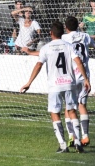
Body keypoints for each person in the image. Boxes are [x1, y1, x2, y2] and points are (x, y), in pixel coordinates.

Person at [20, 21, 91, 153]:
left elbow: (39, 65)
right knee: (72, 111)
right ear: (62, 33)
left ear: (50, 33)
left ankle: (63, 145)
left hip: (55, 86)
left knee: (55, 113)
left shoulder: (46, 48)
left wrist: (29, 83)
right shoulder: (69, 46)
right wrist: (86, 79)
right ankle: (77, 141)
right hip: (69, 83)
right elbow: (78, 61)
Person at [61, 16, 95, 147]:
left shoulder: (63, 38)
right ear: (78, 25)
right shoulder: (85, 36)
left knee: (68, 107)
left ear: (66, 27)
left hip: (70, 75)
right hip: (84, 75)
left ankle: (72, 136)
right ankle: (85, 136)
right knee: (82, 105)